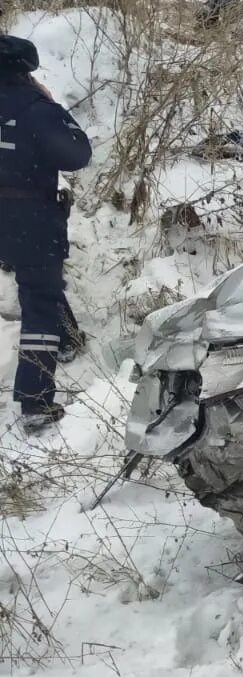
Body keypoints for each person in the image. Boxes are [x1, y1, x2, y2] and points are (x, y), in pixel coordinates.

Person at [0, 35, 92, 431]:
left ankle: (68, 338)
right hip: (28, 215)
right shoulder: (35, 108)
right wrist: (51, 105)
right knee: (39, 297)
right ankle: (36, 403)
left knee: (42, 286)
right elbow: (77, 154)